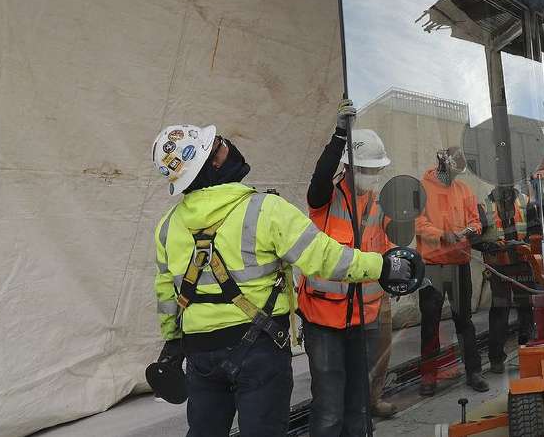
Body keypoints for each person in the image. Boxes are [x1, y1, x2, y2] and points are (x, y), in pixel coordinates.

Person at [150, 123, 414, 437]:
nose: (228, 145)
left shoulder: (167, 226)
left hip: (200, 356)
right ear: (214, 161)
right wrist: (383, 267)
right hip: (258, 349)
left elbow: (167, 294)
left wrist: (172, 338)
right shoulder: (266, 210)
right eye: (220, 143)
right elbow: (325, 258)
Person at [297, 100, 395, 437]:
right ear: (348, 168)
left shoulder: (379, 206)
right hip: (324, 319)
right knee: (328, 407)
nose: (372, 176)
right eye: (366, 169)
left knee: (359, 403)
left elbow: (388, 250)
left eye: (376, 170)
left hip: (364, 319)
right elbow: (320, 175)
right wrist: (340, 134)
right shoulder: (324, 198)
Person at [414, 147, 488, 395]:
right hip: (432, 267)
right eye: (453, 170)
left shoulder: (464, 190)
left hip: (459, 264)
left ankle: (473, 372)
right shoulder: (422, 189)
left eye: (459, 172)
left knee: (464, 321)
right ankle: (428, 378)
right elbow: (418, 223)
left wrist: (470, 230)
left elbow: (475, 221)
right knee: (430, 325)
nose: (456, 175)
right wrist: (442, 235)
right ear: (443, 164)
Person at [485, 185, 535, 374]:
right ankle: (496, 359)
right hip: (498, 267)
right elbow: (478, 236)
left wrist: (525, 243)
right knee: (499, 311)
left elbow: (535, 230)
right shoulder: (486, 204)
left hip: (522, 263)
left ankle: (528, 352)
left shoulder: (525, 202)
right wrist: (489, 245)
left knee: (526, 309)